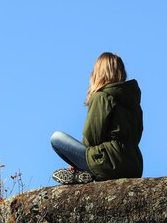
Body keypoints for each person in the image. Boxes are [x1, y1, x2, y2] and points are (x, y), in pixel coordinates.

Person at [51, 52, 143, 184]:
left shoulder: (101, 96)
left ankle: (87, 173)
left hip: (108, 163)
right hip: (134, 166)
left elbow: (92, 137)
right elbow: (137, 136)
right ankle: (89, 175)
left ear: (99, 72)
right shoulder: (134, 104)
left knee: (56, 138)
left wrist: (78, 162)